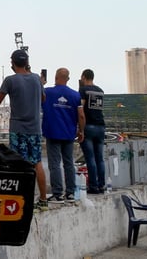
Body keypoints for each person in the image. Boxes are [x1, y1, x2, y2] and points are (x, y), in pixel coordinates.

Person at [0, 49, 48, 210]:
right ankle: (44, 200)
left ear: (12, 63)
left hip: (18, 129)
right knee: (37, 163)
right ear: (27, 63)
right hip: (35, 129)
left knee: (19, 164)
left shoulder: (10, 81)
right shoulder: (37, 80)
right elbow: (43, 99)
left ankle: (22, 199)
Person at [41, 67, 85, 204]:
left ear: (55, 77)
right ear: (68, 79)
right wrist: (81, 130)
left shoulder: (47, 92)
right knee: (69, 163)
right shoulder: (75, 95)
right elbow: (81, 115)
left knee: (54, 164)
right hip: (69, 134)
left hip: (52, 133)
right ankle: (70, 193)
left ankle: (57, 194)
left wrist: (42, 83)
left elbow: (37, 96)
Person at [79, 68, 106, 194]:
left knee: (90, 158)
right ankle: (102, 185)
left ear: (84, 77)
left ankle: (93, 186)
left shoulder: (83, 90)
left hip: (88, 126)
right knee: (100, 158)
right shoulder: (100, 91)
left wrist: (80, 128)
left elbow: (81, 108)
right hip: (101, 126)